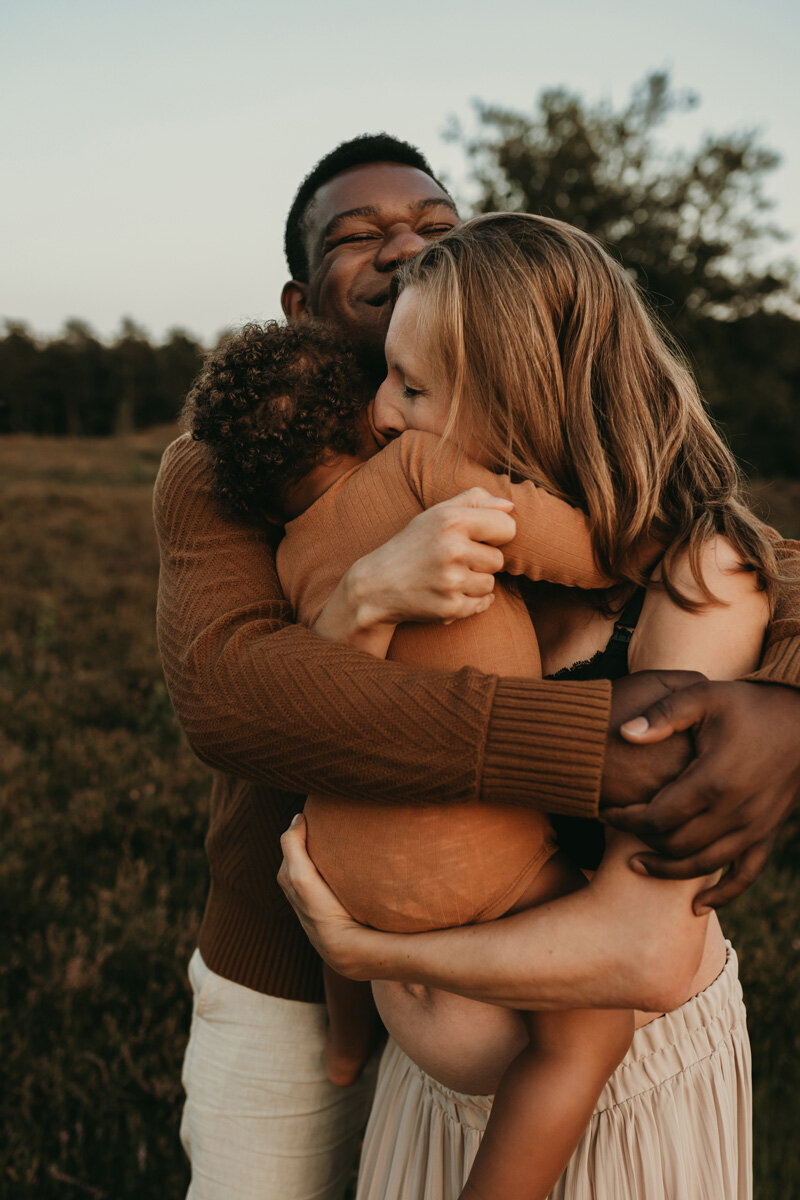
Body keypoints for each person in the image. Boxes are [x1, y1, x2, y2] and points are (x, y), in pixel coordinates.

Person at [153, 134, 800, 1200]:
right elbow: (230, 698)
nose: (403, 245)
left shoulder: (508, 453)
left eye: (434, 228)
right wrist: (373, 601)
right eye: (358, 236)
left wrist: (783, 702)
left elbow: (721, 550)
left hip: (471, 975)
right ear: (300, 301)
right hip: (293, 955)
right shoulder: (231, 458)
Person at [185, 313, 641, 1196]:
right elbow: (571, 548)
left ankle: (348, 1042)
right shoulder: (418, 469)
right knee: (593, 1029)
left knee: (335, 879)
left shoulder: (286, 560)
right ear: (368, 418)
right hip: (474, 868)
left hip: (335, 866)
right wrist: (636, 552)